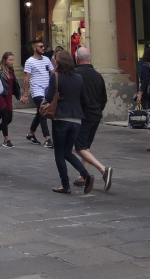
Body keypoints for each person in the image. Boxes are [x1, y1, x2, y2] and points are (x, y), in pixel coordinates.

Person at [44, 50, 94, 195]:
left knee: (59, 153)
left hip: (61, 118)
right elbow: (86, 100)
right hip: (76, 119)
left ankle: (65, 185)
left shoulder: (55, 76)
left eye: (54, 59)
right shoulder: (78, 77)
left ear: (58, 62)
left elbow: (48, 97)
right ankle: (85, 174)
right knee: (68, 151)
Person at [73, 47, 112, 191]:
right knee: (86, 145)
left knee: (79, 147)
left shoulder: (76, 74)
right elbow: (104, 98)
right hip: (96, 114)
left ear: (77, 58)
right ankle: (83, 176)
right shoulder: (97, 75)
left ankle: (103, 169)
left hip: (84, 115)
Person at [20, 39, 55, 148]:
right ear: (34, 48)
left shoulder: (46, 60)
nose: (43, 48)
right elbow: (26, 78)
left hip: (47, 90)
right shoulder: (30, 61)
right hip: (37, 91)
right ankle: (47, 138)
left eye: (43, 46)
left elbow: (53, 73)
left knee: (40, 113)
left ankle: (31, 133)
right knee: (43, 112)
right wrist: (25, 94)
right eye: (40, 46)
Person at [0, 51, 18, 148]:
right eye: (10, 60)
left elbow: (14, 84)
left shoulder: (11, 71)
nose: (12, 62)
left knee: (9, 118)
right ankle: (6, 139)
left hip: (9, 96)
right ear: (5, 60)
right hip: (1, 95)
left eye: (13, 60)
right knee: (5, 117)